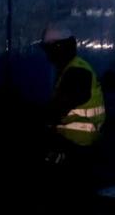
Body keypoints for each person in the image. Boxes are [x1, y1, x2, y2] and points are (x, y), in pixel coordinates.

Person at [38, 23, 106, 168]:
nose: (47, 55)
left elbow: (56, 111)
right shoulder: (75, 67)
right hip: (82, 141)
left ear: (58, 48)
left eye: (49, 49)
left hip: (76, 144)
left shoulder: (76, 73)